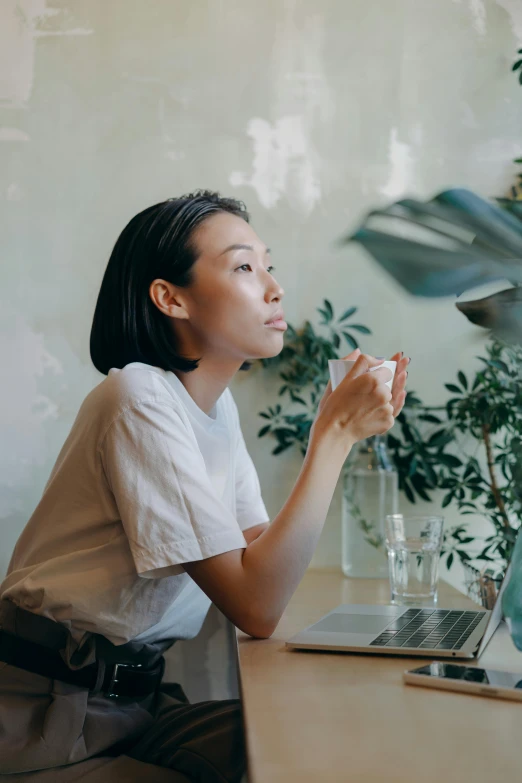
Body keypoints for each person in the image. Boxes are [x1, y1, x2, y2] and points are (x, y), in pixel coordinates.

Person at [0, 190, 409, 782]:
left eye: (270, 266)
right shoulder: (136, 396)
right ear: (170, 298)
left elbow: (263, 571)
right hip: (41, 717)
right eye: (244, 266)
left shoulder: (216, 414)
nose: (274, 287)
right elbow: (256, 606)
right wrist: (333, 437)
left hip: (130, 705)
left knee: (330, 735)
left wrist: (340, 436)